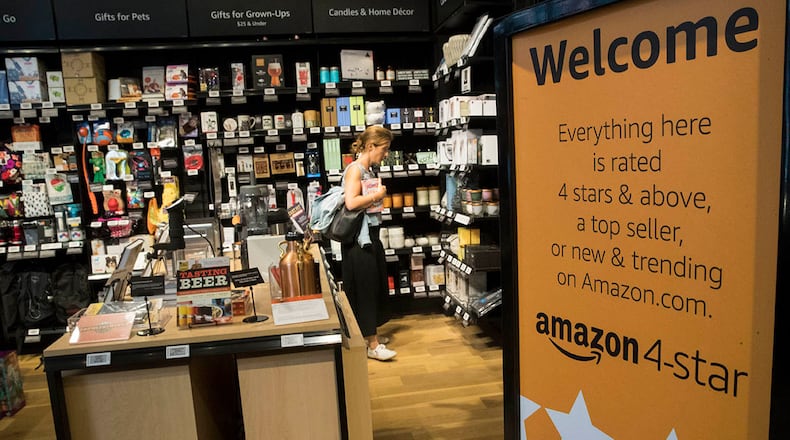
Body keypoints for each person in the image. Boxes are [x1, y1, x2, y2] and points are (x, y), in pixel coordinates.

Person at [341, 126, 396, 361]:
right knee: (364, 289)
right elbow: (351, 203)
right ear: (371, 146)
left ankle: (369, 334)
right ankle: (372, 345)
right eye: (384, 149)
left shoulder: (368, 169)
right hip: (358, 241)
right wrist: (377, 195)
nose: (386, 155)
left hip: (369, 237)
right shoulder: (355, 170)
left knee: (372, 286)